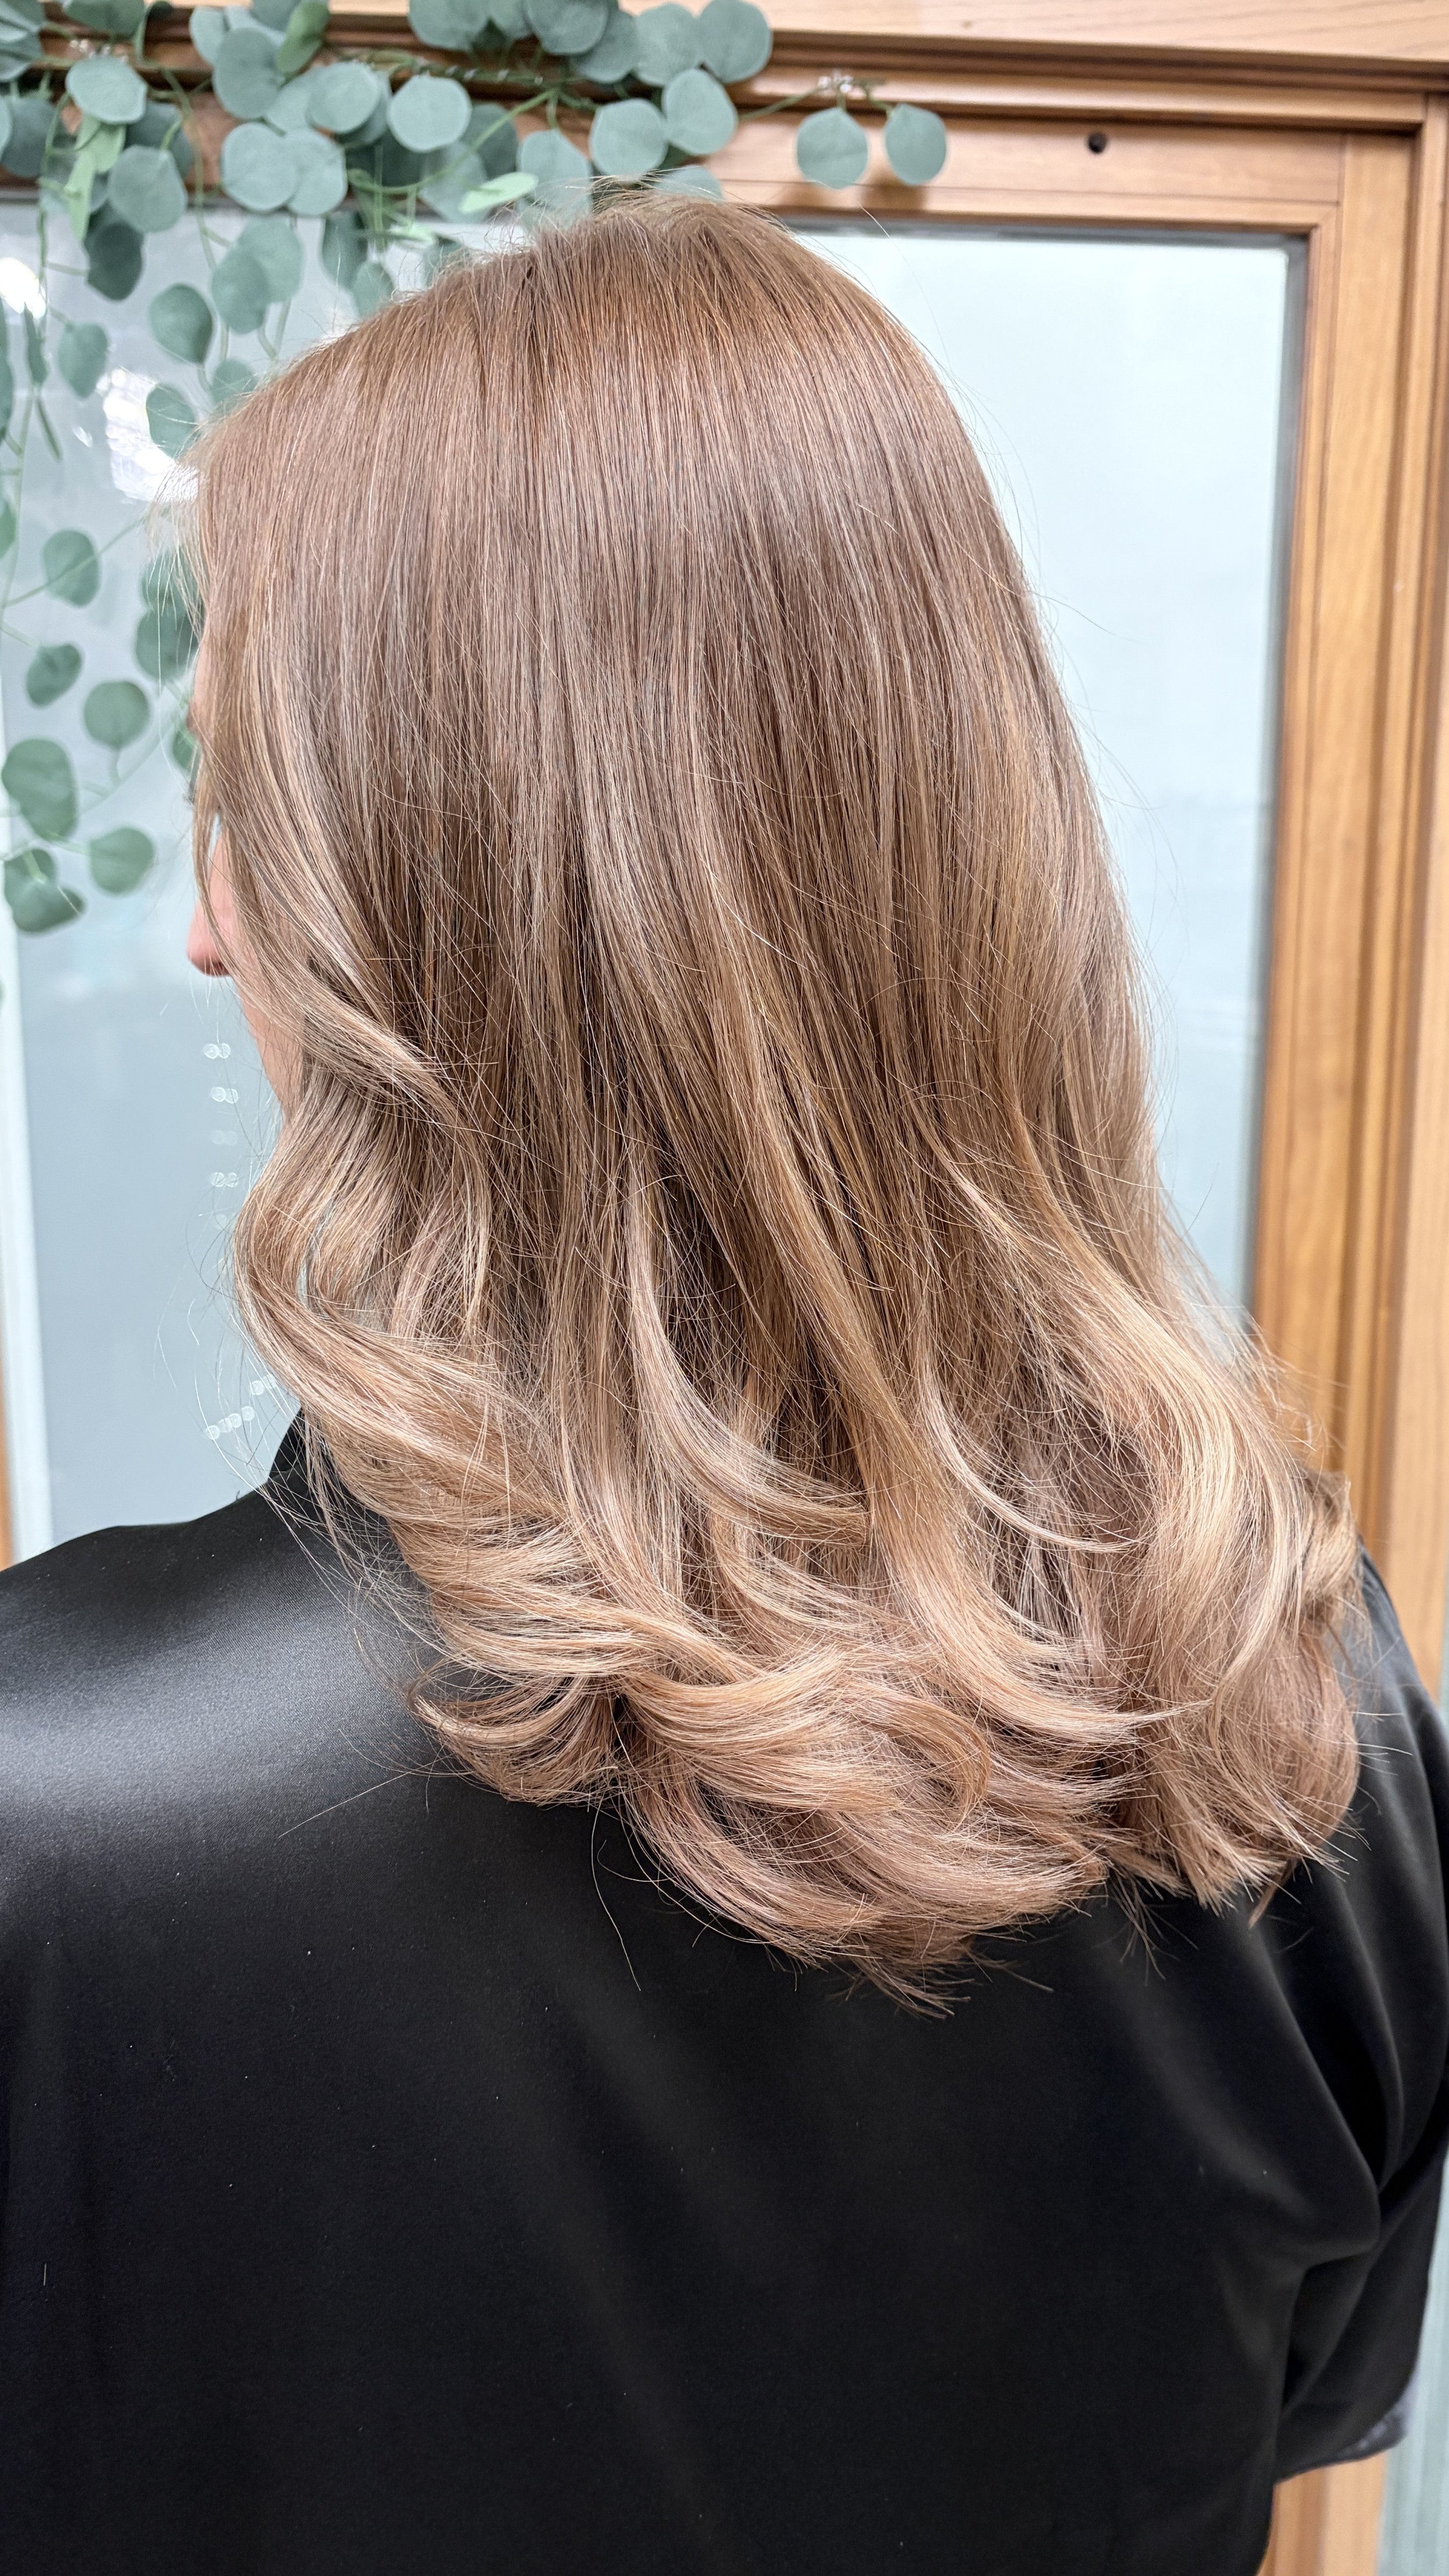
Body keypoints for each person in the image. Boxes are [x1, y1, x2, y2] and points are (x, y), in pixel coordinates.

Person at [1, 198, 1444, 2576]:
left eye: (246, 806)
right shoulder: (1304, 1747)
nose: (200, 916)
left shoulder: (53, 1822)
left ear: (410, 908)